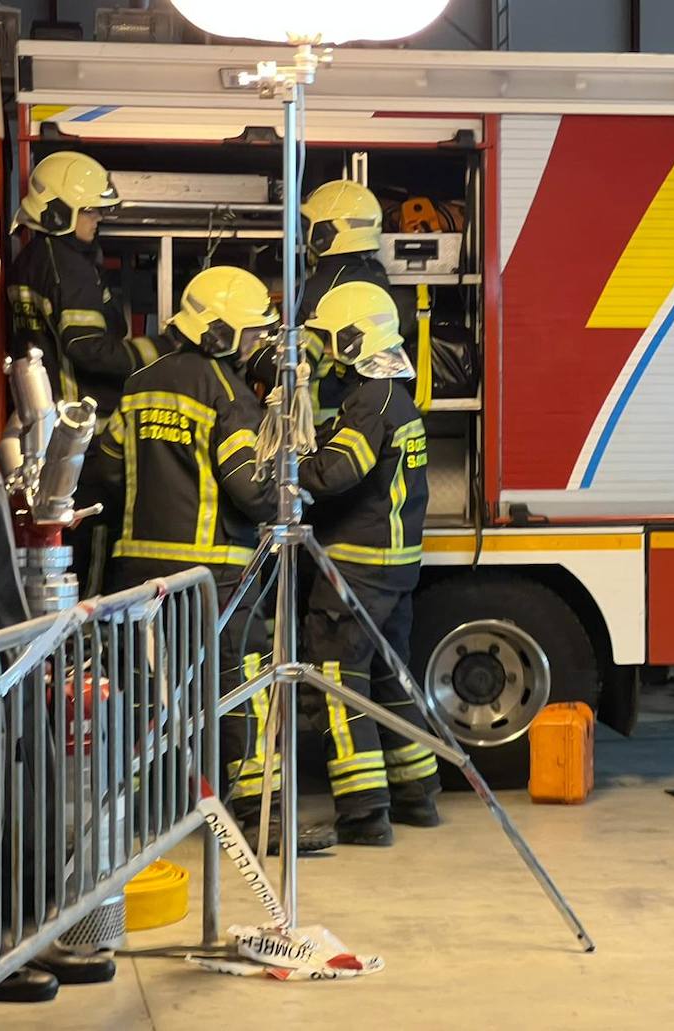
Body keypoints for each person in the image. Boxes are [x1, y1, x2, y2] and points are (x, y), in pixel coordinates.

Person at [97, 266, 335, 854]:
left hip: (135, 573)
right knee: (238, 686)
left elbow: (102, 469)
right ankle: (261, 816)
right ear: (222, 333)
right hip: (211, 574)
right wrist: (289, 482)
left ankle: (154, 811)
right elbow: (248, 487)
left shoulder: (139, 383)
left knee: (150, 693)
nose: (258, 347)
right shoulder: (225, 393)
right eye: (253, 335)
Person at [297, 281, 442, 845]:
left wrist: (289, 468)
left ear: (356, 339)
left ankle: (363, 816)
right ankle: (416, 795)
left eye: (334, 341)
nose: (329, 353)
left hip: (353, 571)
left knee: (340, 686)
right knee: (392, 679)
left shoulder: (369, 402)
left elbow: (338, 473)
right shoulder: (396, 399)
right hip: (394, 569)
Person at [7, 151, 171, 595]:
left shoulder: (31, 260)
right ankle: (89, 644)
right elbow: (88, 349)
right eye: (90, 209)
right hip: (87, 445)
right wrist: (161, 349)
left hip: (51, 441)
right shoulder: (70, 267)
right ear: (59, 212)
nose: (98, 218)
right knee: (93, 557)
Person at [292, 178, 415, 424]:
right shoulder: (377, 277)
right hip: (369, 409)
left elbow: (294, 364)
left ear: (328, 230)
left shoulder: (314, 291)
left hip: (323, 418)